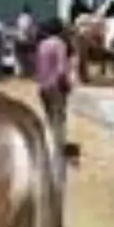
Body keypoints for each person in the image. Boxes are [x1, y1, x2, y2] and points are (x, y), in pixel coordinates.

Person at [35, 17, 75, 157]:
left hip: (42, 85)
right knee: (59, 117)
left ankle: (50, 144)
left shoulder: (42, 44)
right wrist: (66, 84)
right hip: (56, 86)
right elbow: (61, 69)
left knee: (49, 116)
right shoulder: (59, 45)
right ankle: (59, 147)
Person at [15, 4, 37, 77]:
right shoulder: (28, 18)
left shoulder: (19, 18)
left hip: (19, 39)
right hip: (26, 39)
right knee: (28, 57)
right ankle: (27, 72)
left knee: (20, 57)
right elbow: (27, 29)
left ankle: (21, 72)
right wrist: (31, 36)